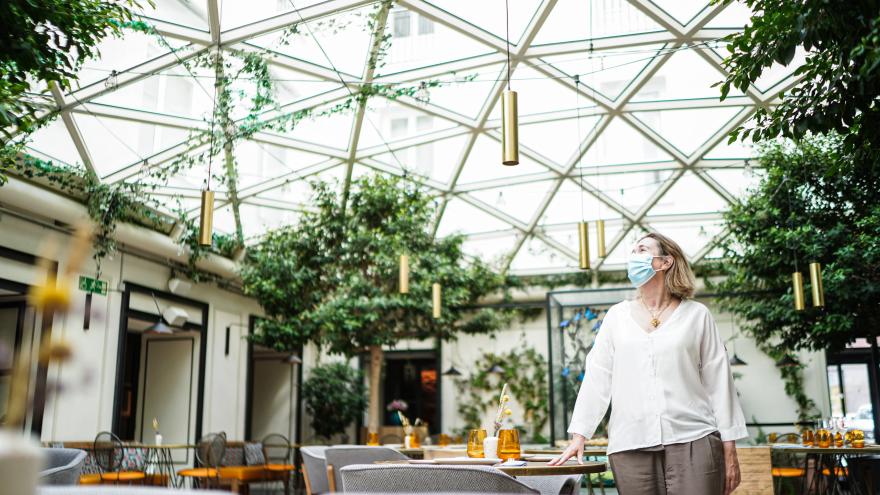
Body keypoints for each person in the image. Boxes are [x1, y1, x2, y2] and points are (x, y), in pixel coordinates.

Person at [549, 232, 747, 495]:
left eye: (641, 250)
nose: (634, 257)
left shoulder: (697, 315)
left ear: (665, 262)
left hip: (693, 439)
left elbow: (719, 382)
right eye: (632, 252)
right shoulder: (616, 317)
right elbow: (598, 377)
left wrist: (730, 450)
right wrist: (580, 434)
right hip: (630, 441)